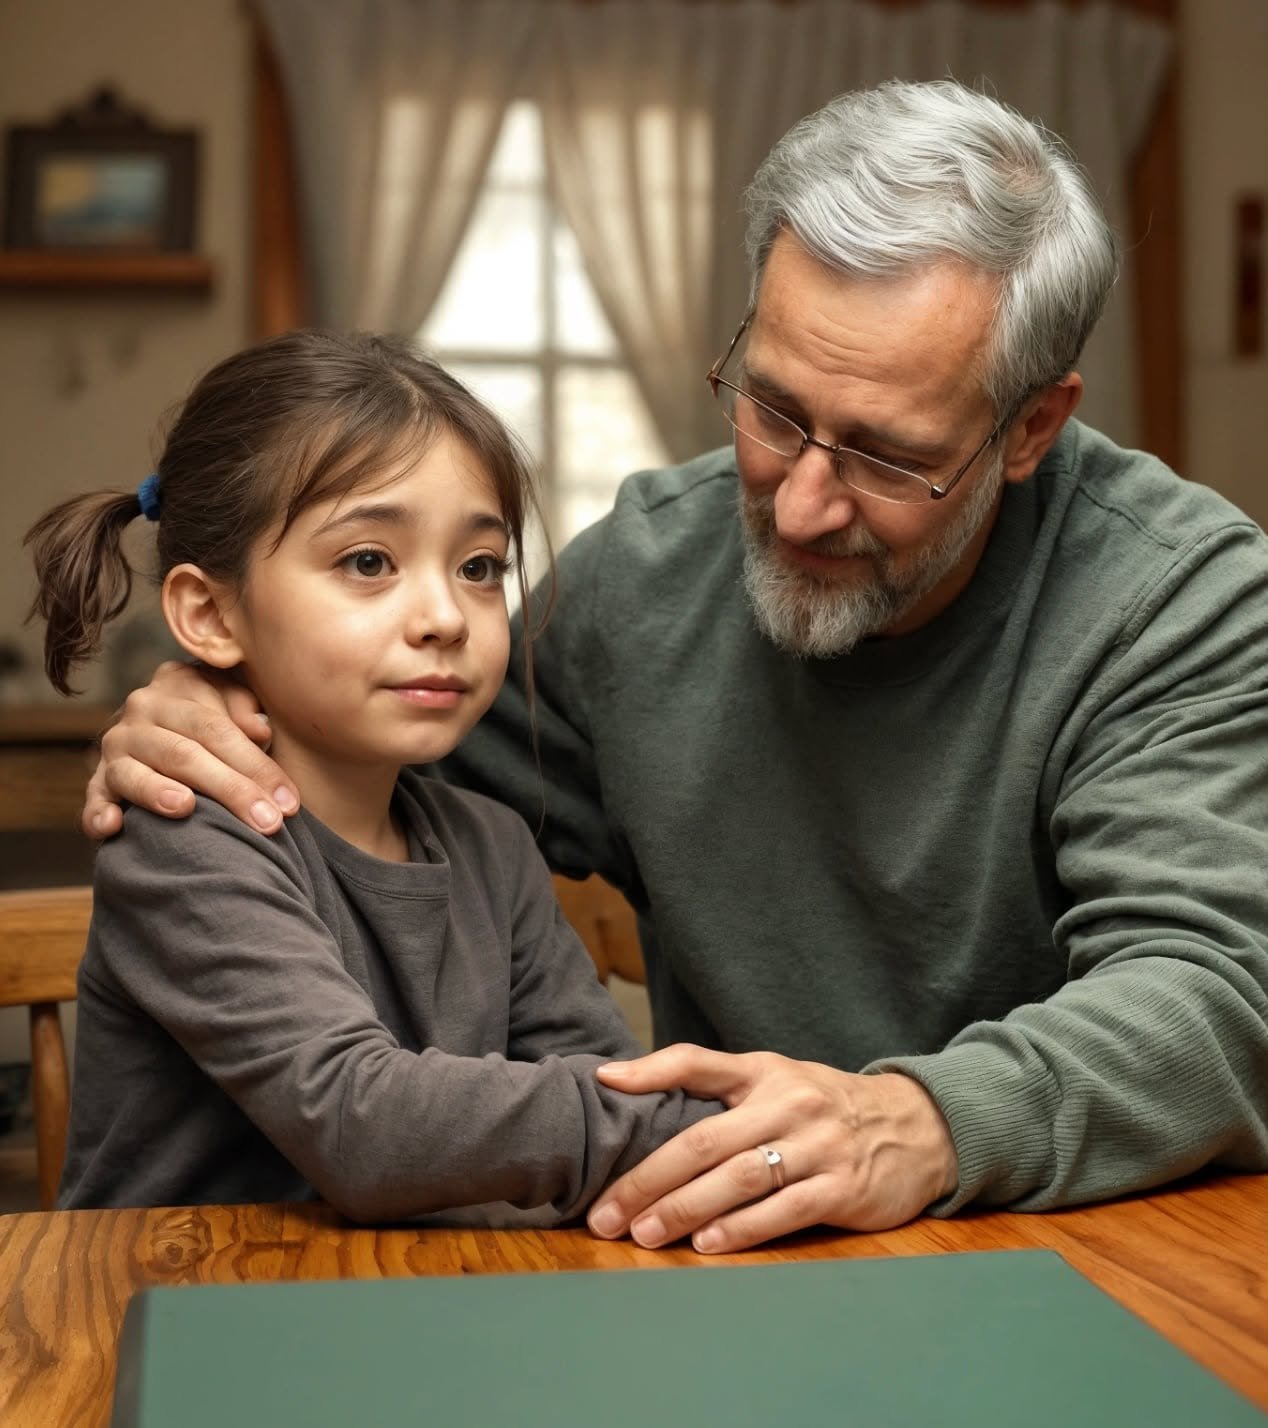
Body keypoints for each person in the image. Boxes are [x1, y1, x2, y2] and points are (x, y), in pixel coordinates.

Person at [80, 81, 1268, 1251]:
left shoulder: (1177, 601)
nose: (800, 505)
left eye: (886, 458)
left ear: (1028, 428)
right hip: (719, 1243)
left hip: (1073, 1247)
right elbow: (380, 756)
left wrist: (916, 1121)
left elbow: (1216, 994)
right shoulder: (642, 574)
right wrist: (225, 706)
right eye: (772, 410)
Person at [25, 328, 719, 1221]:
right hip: (178, 1317)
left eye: (478, 568)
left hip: (408, 1303)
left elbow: (609, 1076)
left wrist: (654, 1120)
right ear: (208, 613)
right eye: (368, 562)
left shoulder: (494, 844)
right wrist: (705, 1118)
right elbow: (365, 1121)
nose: (443, 616)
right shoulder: (183, 840)